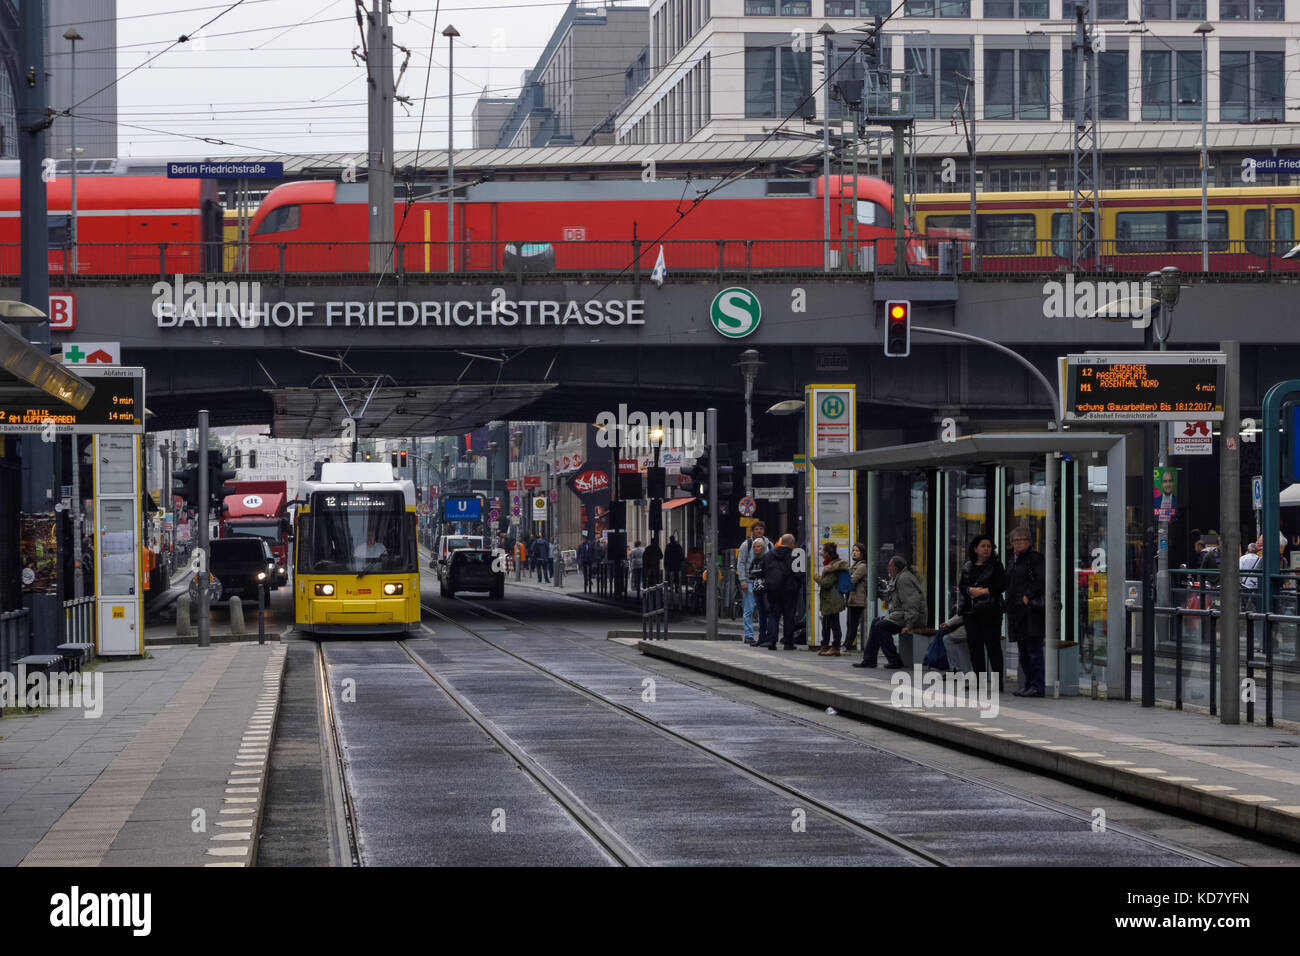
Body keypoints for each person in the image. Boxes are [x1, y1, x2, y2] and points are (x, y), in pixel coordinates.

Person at [852, 555, 922, 669]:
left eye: (890, 567)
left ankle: (894, 659)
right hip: (901, 615)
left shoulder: (904, 579)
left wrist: (909, 624)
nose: (888, 569)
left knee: (881, 626)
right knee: (876, 622)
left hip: (909, 618)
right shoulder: (898, 577)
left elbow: (911, 604)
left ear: (897, 568)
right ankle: (869, 659)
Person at [959, 534, 1006, 691]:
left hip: (991, 610)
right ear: (975, 548)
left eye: (989, 546)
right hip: (971, 612)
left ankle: (997, 682)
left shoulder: (996, 566)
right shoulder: (967, 566)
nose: (986, 549)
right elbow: (962, 586)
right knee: (974, 647)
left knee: (993, 647)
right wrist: (970, 590)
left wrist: (985, 591)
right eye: (983, 546)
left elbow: (1002, 585)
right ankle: (979, 680)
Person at [1005, 527, 1045, 697]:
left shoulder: (1034, 558)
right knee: (1023, 651)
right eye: (1016, 540)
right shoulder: (1012, 560)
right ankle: (1028, 684)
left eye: (1022, 540)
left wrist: (1027, 596)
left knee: (1033, 650)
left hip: (1030, 611)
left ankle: (1037, 686)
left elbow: (1042, 580)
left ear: (1029, 542)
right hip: (1016, 611)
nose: (1019, 543)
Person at [757, 533, 802, 649]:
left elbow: (762, 570)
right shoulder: (796, 555)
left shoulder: (769, 554)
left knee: (773, 614)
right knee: (789, 615)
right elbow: (800, 574)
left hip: (773, 589)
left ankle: (771, 641)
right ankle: (788, 643)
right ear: (792, 543)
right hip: (789, 590)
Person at [735, 521, 772, 646]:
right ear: (753, 531)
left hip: (766, 582)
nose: (759, 531)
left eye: (761, 529)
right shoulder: (747, 544)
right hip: (750, 581)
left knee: (765, 610)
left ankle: (764, 634)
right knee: (749, 609)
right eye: (757, 529)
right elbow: (740, 563)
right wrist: (743, 581)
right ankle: (749, 635)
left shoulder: (769, 544)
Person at [816, 542, 850, 656]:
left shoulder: (833, 567)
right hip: (829, 599)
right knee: (826, 623)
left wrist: (815, 576)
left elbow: (826, 583)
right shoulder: (830, 564)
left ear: (827, 553)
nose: (821, 553)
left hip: (833, 599)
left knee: (834, 624)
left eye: (823, 551)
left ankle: (835, 646)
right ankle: (825, 645)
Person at [844, 542, 869, 653]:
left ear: (862, 553)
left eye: (857, 551)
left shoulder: (862, 566)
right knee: (850, 623)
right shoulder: (854, 565)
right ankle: (846, 644)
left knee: (853, 624)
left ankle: (847, 646)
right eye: (853, 550)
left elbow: (852, 580)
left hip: (858, 599)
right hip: (852, 598)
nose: (854, 553)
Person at [744, 538, 768, 646]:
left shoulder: (767, 559)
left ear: (763, 548)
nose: (756, 549)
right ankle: (760, 637)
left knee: (765, 612)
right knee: (759, 612)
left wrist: (757, 573)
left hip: (766, 589)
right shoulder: (754, 560)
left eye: (758, 546)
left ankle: (767, 636)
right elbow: (750, 573)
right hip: (756, 588)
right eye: (754, 547)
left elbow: (765, 572)